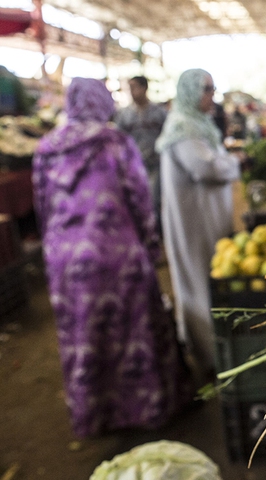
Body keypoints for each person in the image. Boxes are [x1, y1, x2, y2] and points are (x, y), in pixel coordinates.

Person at [32, 77, 193, 438]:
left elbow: (42, 208)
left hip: (64, 258)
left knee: (84, 334)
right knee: (135, 329)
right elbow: (139, 198)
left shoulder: (45, 148)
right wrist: (152, 248)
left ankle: (97, 415)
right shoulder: (114, 142)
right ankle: (148, 407)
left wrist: (54, 253)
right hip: (116, 251)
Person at [155, 69, 241, 379]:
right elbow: (204, 167)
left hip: (206, 217)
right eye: (206, 89)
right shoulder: (182, 127)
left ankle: (216, 352)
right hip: (193, 222)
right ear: (190, 91)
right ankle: (209, 357)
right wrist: (236, 163)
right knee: (199, 282)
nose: (212, 96)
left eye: (213, 88)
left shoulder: (197, 123)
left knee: (212, 277)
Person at [114, 76, 167, 235]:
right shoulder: (124, 115)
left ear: (144, 88)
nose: (131, 91)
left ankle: (154, 235)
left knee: (153, 200)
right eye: (129, 88)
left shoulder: (159, 113)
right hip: (133, 167)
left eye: (134, 87)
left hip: (154, 164)